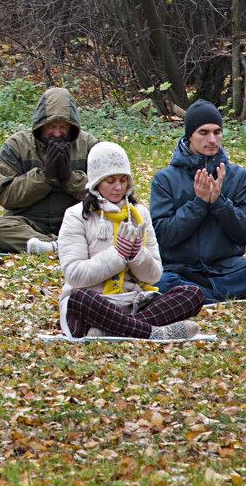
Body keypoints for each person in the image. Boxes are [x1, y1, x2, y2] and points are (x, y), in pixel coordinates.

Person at [150, 100, 246, 303]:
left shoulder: (237, 175)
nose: (212, 139)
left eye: (217, 132)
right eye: (203, 133)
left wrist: (219, 203)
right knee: (160, 283)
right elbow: (163, 237)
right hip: (182, 271)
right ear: (189, 136)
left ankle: (208, 293)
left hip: (229, 269)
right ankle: (235, 293)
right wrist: (199, 203)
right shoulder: (164, 179)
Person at [57, 141, 204, 340]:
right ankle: (152, 332)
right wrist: (118, 254)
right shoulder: (76, 215)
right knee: (77, 298)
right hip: (96, 303)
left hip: (134, 303)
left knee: (192, 293)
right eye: (110, 181)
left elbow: (153, 275)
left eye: (123, 180)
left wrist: (136, 254)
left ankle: (115, 329)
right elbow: (74, 276)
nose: (118, 187)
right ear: (96, 183)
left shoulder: (140, 214)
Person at [0, 87, 98, 254]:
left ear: (73, 126)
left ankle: (53, 246)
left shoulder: (89, 145)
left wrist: (69, 177)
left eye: (63, 127)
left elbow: (103, 195)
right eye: (51, 126)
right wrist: (45, 176)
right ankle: (54, 246)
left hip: (76, 221)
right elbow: (6, 196)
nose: (57, 133)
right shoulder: (17, 145)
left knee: (109, 225)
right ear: (40, 125)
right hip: (29, 223)